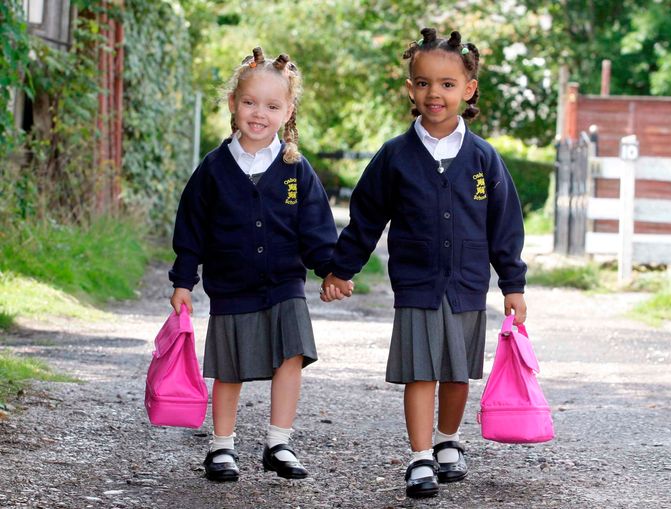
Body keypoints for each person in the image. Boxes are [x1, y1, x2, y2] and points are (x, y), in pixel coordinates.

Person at [321, 28, 528, 498]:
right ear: (410, 88)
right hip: (415, 283)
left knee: (456, 373)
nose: (435, 93)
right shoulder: (395, 157)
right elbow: (365, 217)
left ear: (468, 89)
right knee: (421, 371)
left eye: (447, 84)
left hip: (468, 285)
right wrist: (342, 269)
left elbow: (505, 225)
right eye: (423, 82)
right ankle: (419, 458)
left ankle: (447, 441)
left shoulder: (483, 158)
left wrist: (512, 283)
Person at [169, 47, 338, 482]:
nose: (259, 113)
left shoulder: (295, 169)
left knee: (291, 356)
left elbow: (316, 226)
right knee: (230, 367)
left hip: (284, 283)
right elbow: (191, 229)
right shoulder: (213, 170)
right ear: (232, 104)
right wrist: (184, 280)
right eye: (249, 102)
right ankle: (221, 446)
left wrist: (330, 270)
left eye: (271, 105)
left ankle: (278, 442)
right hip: (231, 285)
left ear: (287, 111)